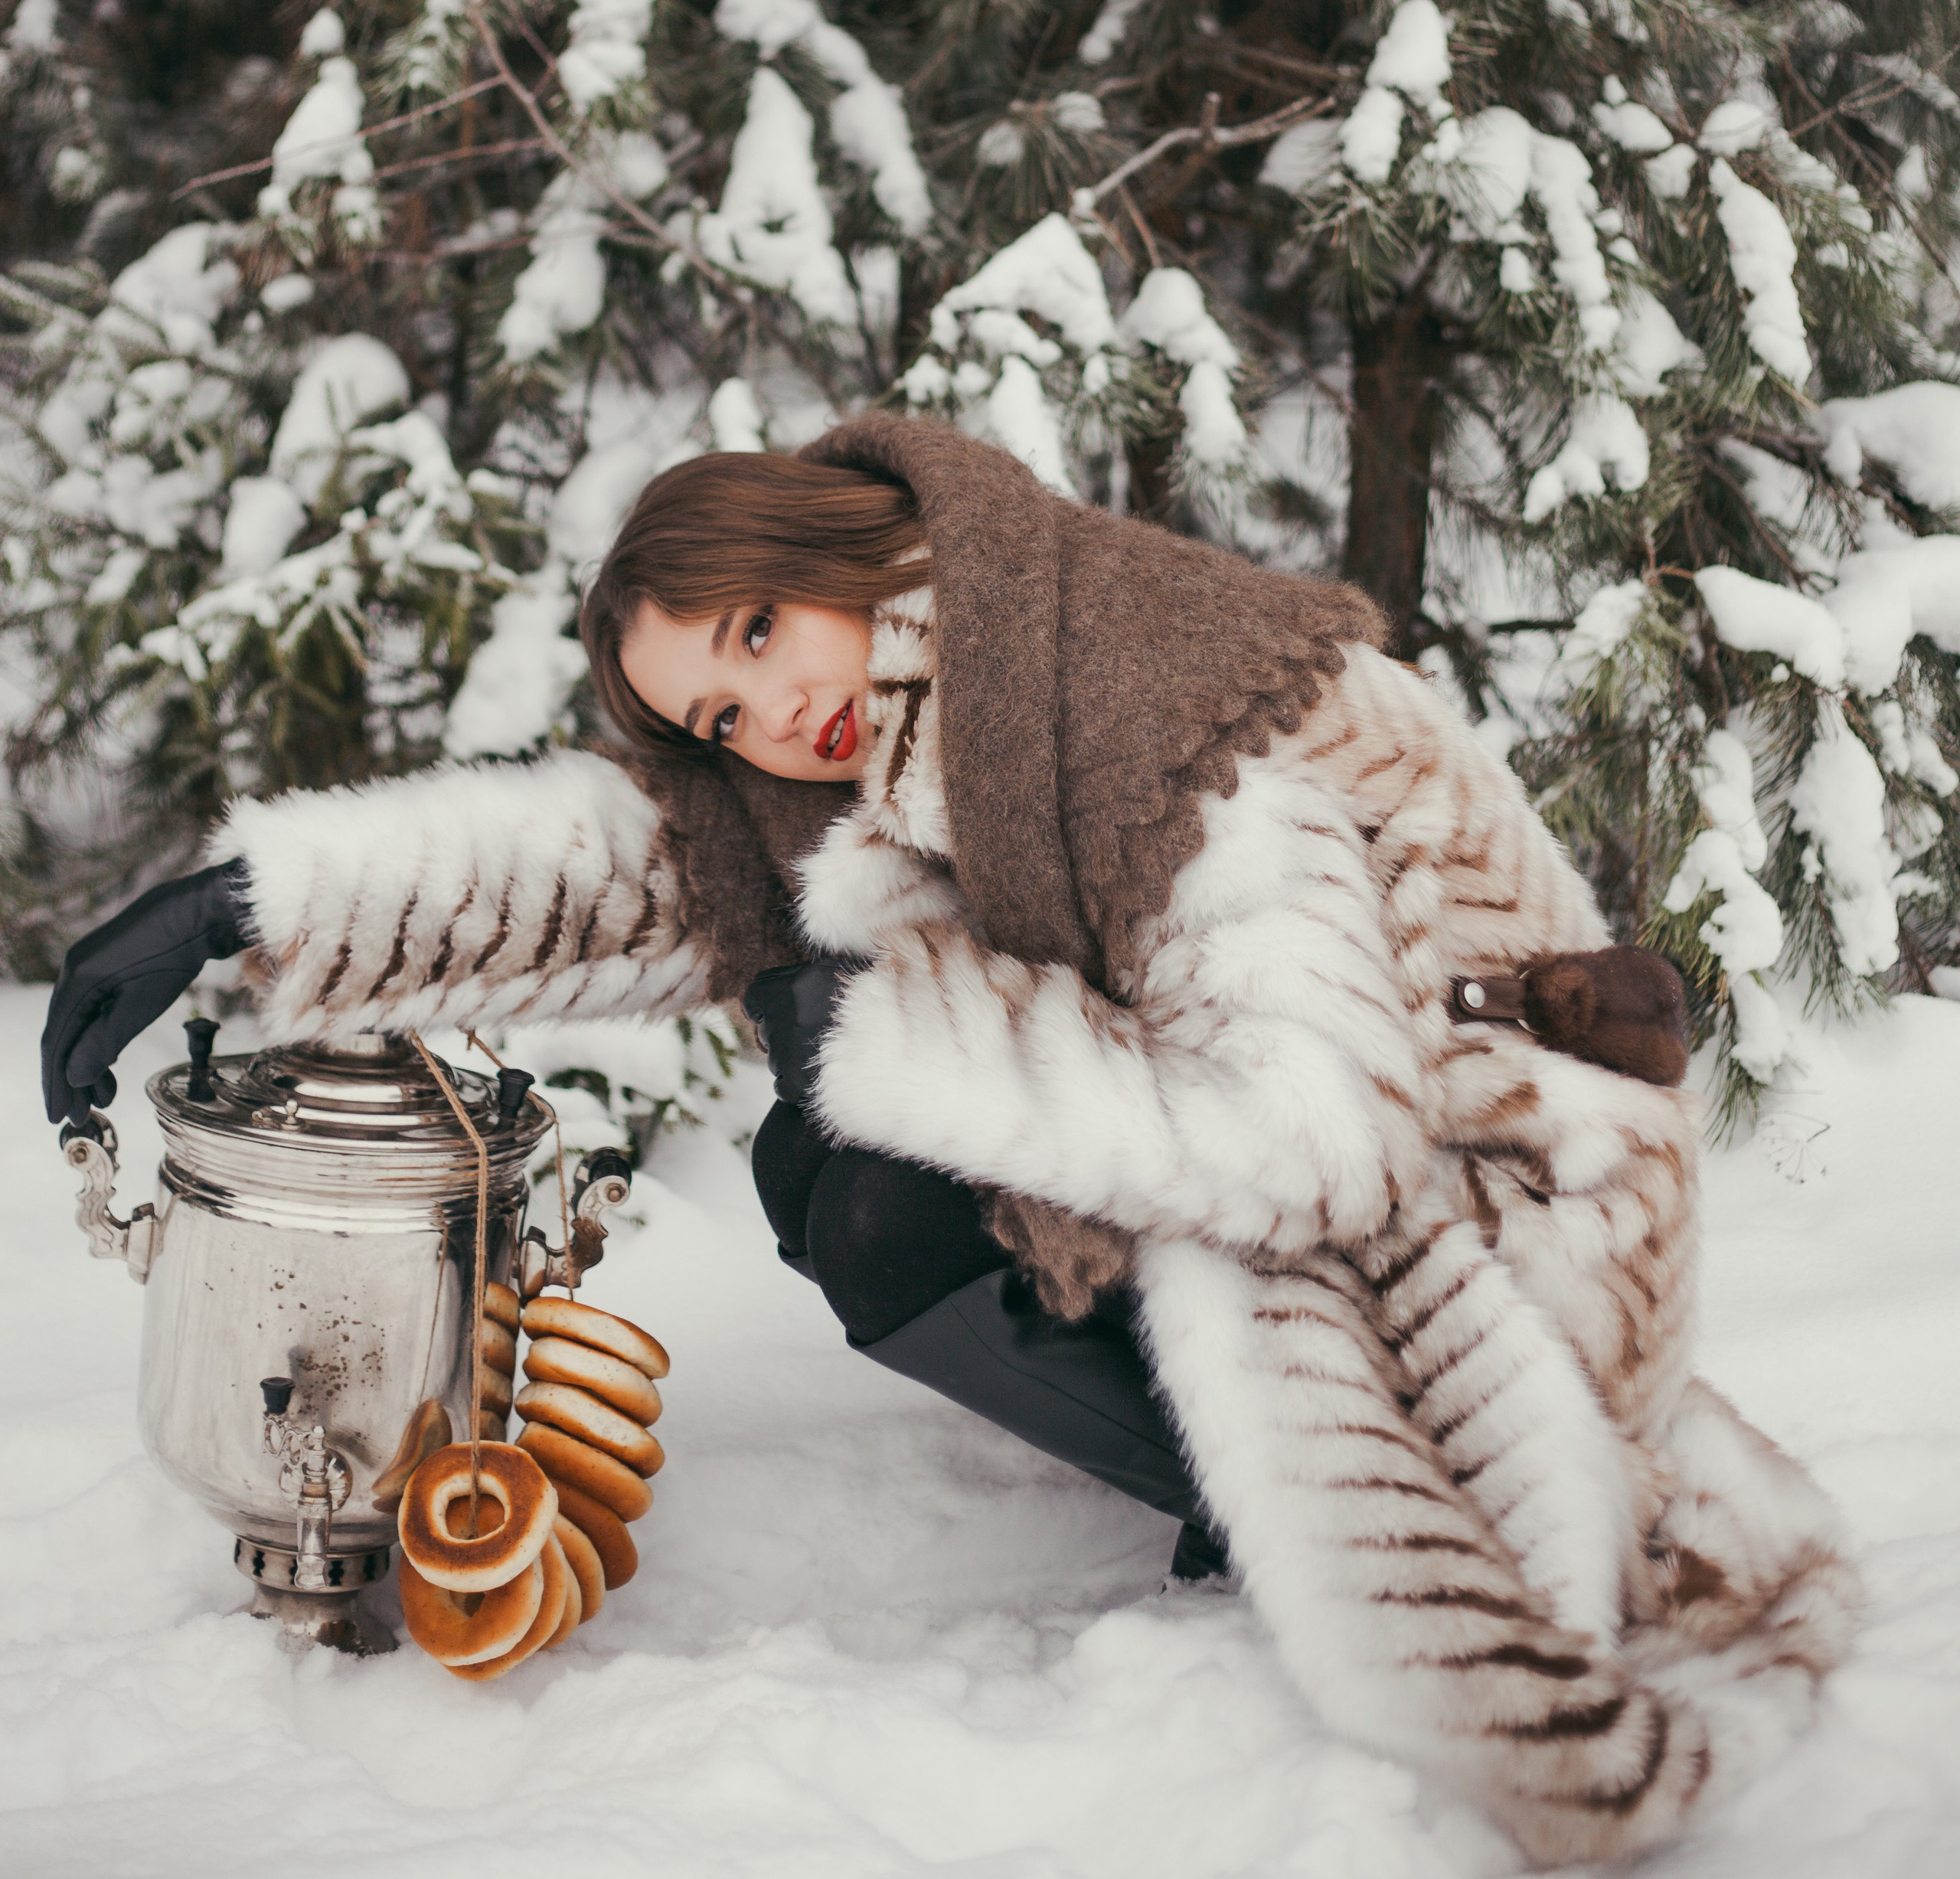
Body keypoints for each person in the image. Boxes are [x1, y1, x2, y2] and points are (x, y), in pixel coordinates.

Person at [41, 413, 1853, 1866]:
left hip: (1504, 1214)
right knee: (835, 1171)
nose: (774, 719)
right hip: (1327, 1157)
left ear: (831, 545)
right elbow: (624, 869)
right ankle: (1209, 1460)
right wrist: (244, 908)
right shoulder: (907, 721)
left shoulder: (1146, 696)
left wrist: (896, 1033)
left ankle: (1284, 1507)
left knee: (884, 1186)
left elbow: (1318, 1142)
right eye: (720, 715)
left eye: (760, 635)